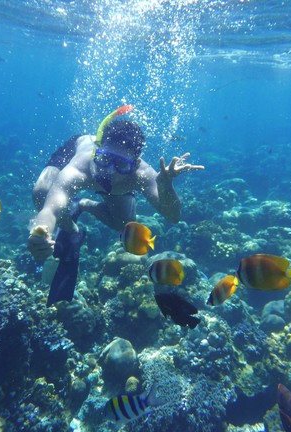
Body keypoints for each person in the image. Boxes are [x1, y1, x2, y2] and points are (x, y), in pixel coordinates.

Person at [28, 105, 203, 305]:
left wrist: (165, 186)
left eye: (120, 165)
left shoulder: (142, 175)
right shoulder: (80, 167)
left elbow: (173, 216)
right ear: (96, 152)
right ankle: (70, 228)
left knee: (124, 226)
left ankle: (82, 204)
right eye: (104, 159)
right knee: (41, 194)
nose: (109, 171)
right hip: (73, 149)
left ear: (135, 165)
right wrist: (40, 233)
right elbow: (50, 208)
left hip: (120, 186)